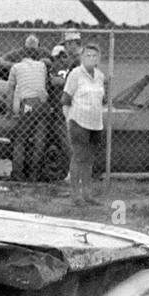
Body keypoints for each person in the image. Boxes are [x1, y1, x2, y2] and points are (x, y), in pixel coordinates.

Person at [61, 43, 108, 205]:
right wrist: (69, 119)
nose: (91, 58)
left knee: (89, 159)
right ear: (82, 57)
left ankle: (87, 194)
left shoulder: (100, 76)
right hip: (78, 121)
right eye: (88, 55)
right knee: (79, 157)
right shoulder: (75, 74)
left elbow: (102, 98)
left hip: (95, 122)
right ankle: (75, 195)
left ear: (99, 59)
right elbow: (66, 99)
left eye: (94, 56)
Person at [6, 37, 56, 181]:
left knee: (20, 139)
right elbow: (45, 86)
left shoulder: (16, 67)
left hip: (28, 104)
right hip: (42, 104)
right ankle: (34, 174)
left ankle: (18, 174)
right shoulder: (42, 66)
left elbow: (10, 91)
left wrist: (10, 111)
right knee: (40, 139)